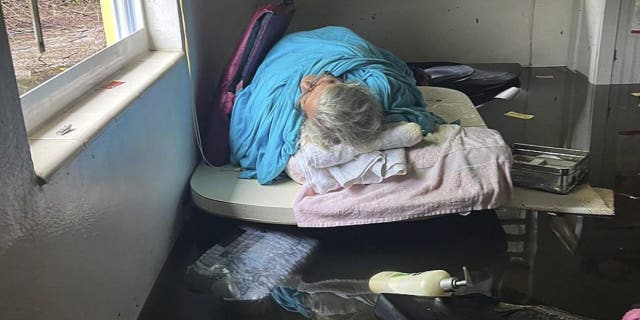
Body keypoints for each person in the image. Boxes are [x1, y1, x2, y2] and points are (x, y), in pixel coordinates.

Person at [296, 71, 383, 151]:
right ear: (336, 80)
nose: (304, 87)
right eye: (314, 85)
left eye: (304, 100)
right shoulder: (379, 80)